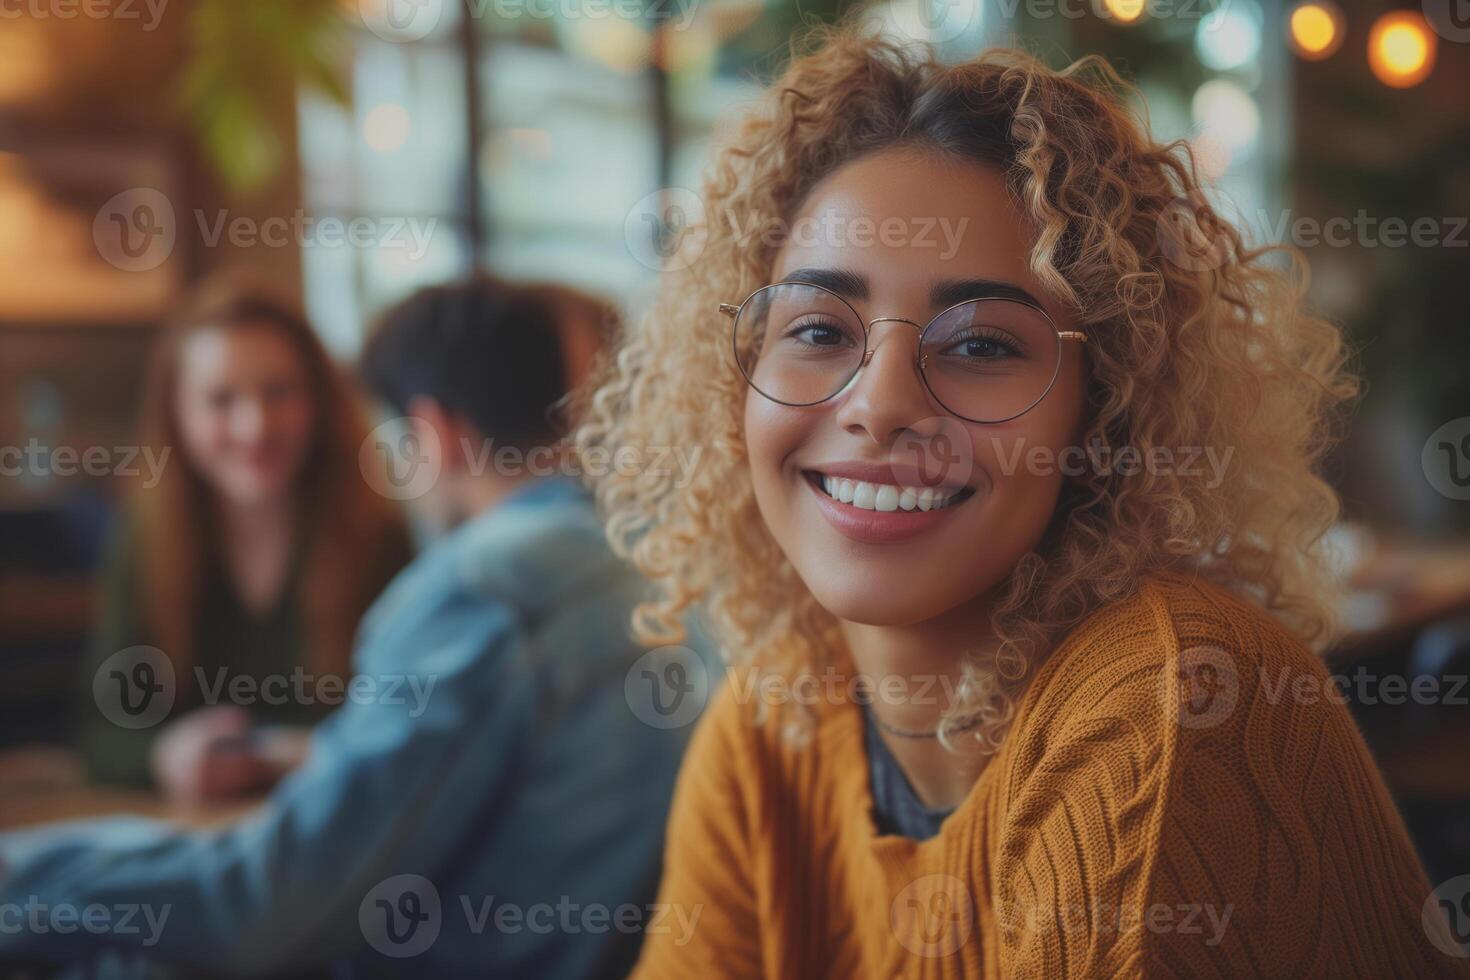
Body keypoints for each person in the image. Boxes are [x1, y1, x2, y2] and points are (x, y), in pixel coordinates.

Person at [576, 27, 1470, 977]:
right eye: (817, 328)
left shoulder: (1169, 707)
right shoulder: (775, 717)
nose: (878, 404)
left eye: (982, 346)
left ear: (1106, 412)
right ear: (737, 381)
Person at [0, 276, 700, 979]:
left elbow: (269, 903)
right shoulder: (645, 561)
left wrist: (20, 882)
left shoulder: (478, 590)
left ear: (433, 432)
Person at [78, 277, 412, 802]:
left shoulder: (382, 537)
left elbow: (416, 721)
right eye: (220, 399)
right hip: (196, 839)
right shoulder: (146, 545)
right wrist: (163, 757)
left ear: (319, 402)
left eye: (279, 392)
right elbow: (100, 733)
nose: (254, 425)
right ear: (178, 416)